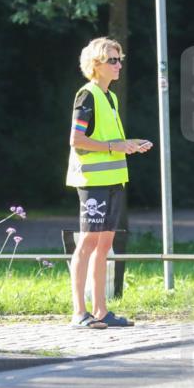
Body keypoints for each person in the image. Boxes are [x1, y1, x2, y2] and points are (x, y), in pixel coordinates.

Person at [66, 37, 153, 328]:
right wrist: (117, 146)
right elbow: (77, 141)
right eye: (112, 60)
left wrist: (129, 145)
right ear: (96, 64)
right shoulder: (86, 95)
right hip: (93, 182)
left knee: (105, 245)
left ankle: (101, 311)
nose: (119, 65)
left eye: (120, 59)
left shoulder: (110, 97)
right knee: (88, 243)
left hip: (114, 180)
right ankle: (79, 312)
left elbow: (110, 141)